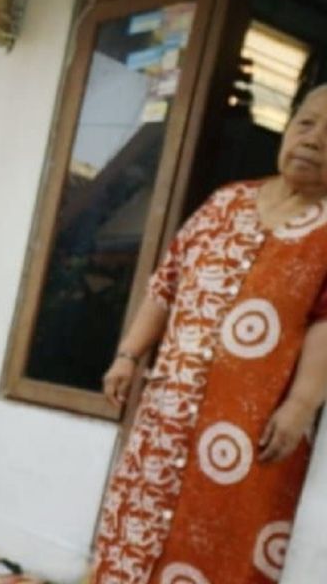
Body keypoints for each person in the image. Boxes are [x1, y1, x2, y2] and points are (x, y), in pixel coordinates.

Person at [92, 85, 327, 583]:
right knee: (134, 533)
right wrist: (128, 355)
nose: (316, 139)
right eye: (307, 123)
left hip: (246, 435)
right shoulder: (227, 201)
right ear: (287, 128)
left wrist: (302, 406)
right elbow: (166, 283)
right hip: (167, 415)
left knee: (220, 546)